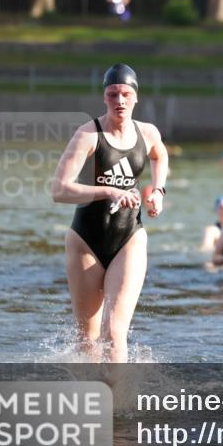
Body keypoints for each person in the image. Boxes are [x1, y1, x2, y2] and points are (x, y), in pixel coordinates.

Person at [52, 64, 168, 363]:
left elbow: (159, 155)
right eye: (113, 94)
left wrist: (158, 190)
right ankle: (91, 403)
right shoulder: (88, 135)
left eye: (126, 94)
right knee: (87, 340)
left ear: (136, 98)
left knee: (115, 333)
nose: (120, 100)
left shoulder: (148, 133)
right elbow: (59, 190)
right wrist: (108, 191)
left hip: (128, 237)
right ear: (104, 98)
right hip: (86, 241)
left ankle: (120, 408)